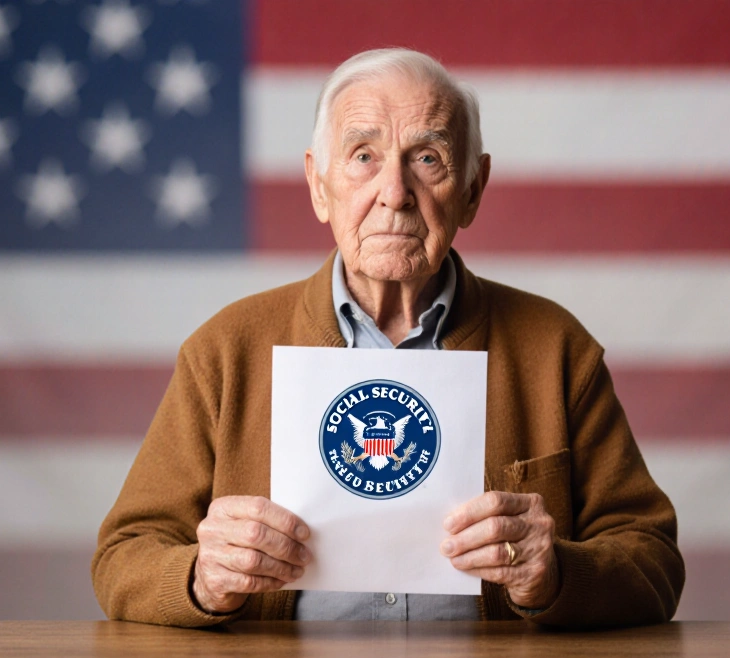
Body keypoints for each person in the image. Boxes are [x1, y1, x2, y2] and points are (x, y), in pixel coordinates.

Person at [92, 48, 683, 628]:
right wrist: (202, 578)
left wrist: (555, 573)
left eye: (427, 158)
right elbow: (124, 556)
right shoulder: (224, 350)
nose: (395, 192)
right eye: (363, 156)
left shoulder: (557, 348)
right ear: (319, 186)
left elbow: (653, 561)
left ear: (474, 188)